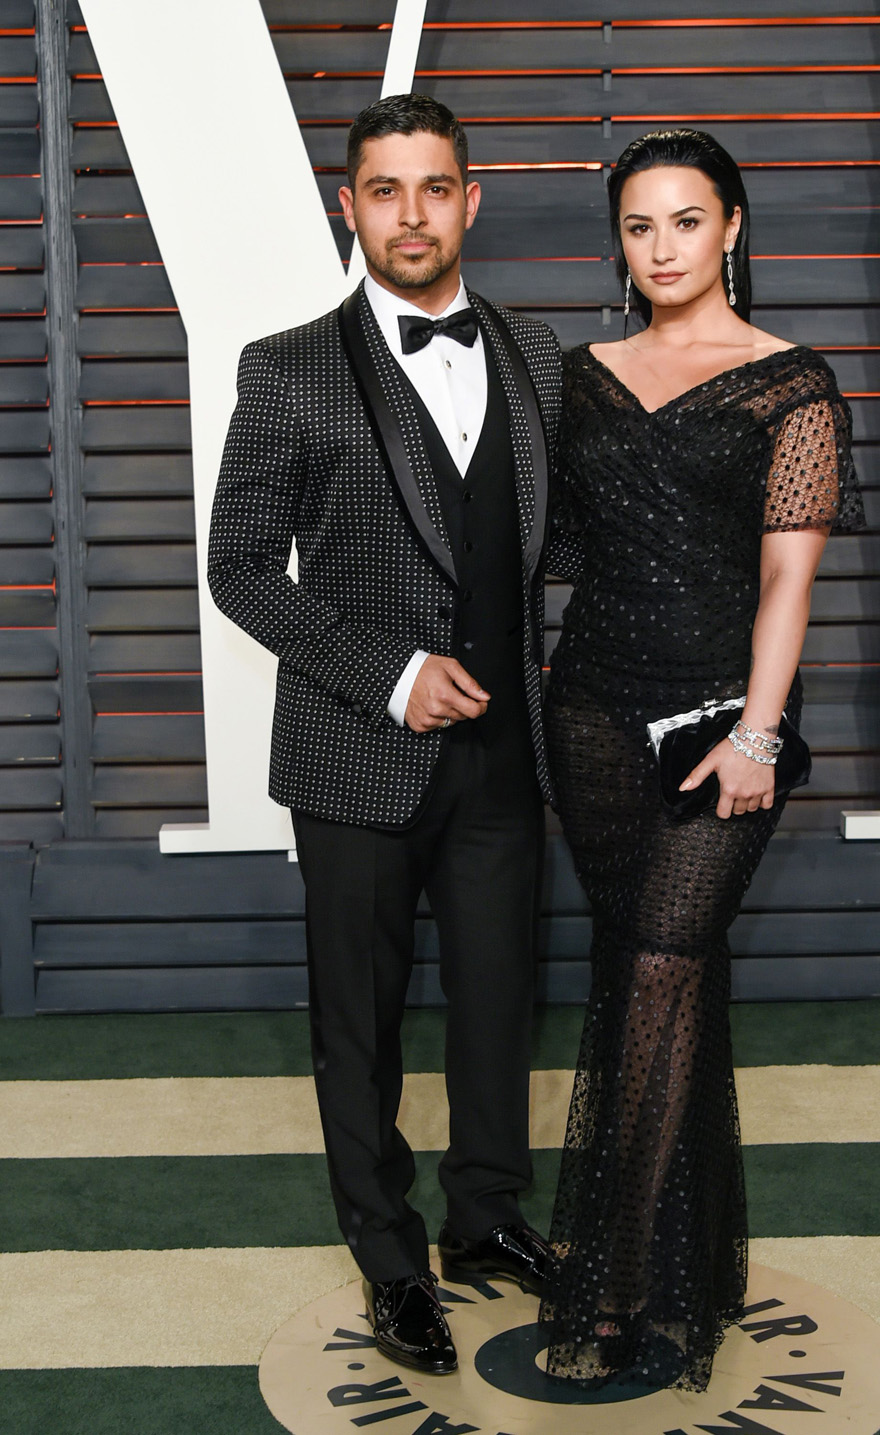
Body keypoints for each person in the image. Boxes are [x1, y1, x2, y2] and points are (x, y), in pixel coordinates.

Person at [207, 93, 561, 1376]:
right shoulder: (286, 364)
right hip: (355, 751)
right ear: (347, 205)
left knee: (496, 1005)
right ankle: (391, 1258)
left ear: (470, 200)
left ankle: (485, 1217)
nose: (410, 215)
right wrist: (391, 671)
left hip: (505, 756)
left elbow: (538, 544)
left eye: (434, 188)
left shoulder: (528, 349)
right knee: (358, 1020)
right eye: (384, 190)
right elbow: (239, 568)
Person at [539, 129, 865, 1390]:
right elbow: (546, 552)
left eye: (685, 220)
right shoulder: (579, 378)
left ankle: (617, 1278)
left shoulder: (791, 382)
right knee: (638, 970)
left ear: (732, 226)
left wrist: (757, 735)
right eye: (638, 225)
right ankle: (688, 1257)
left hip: (727, 723)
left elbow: (788, 580)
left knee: (664, 970)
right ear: (618, 241)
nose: (662, 246)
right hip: (593, 717)